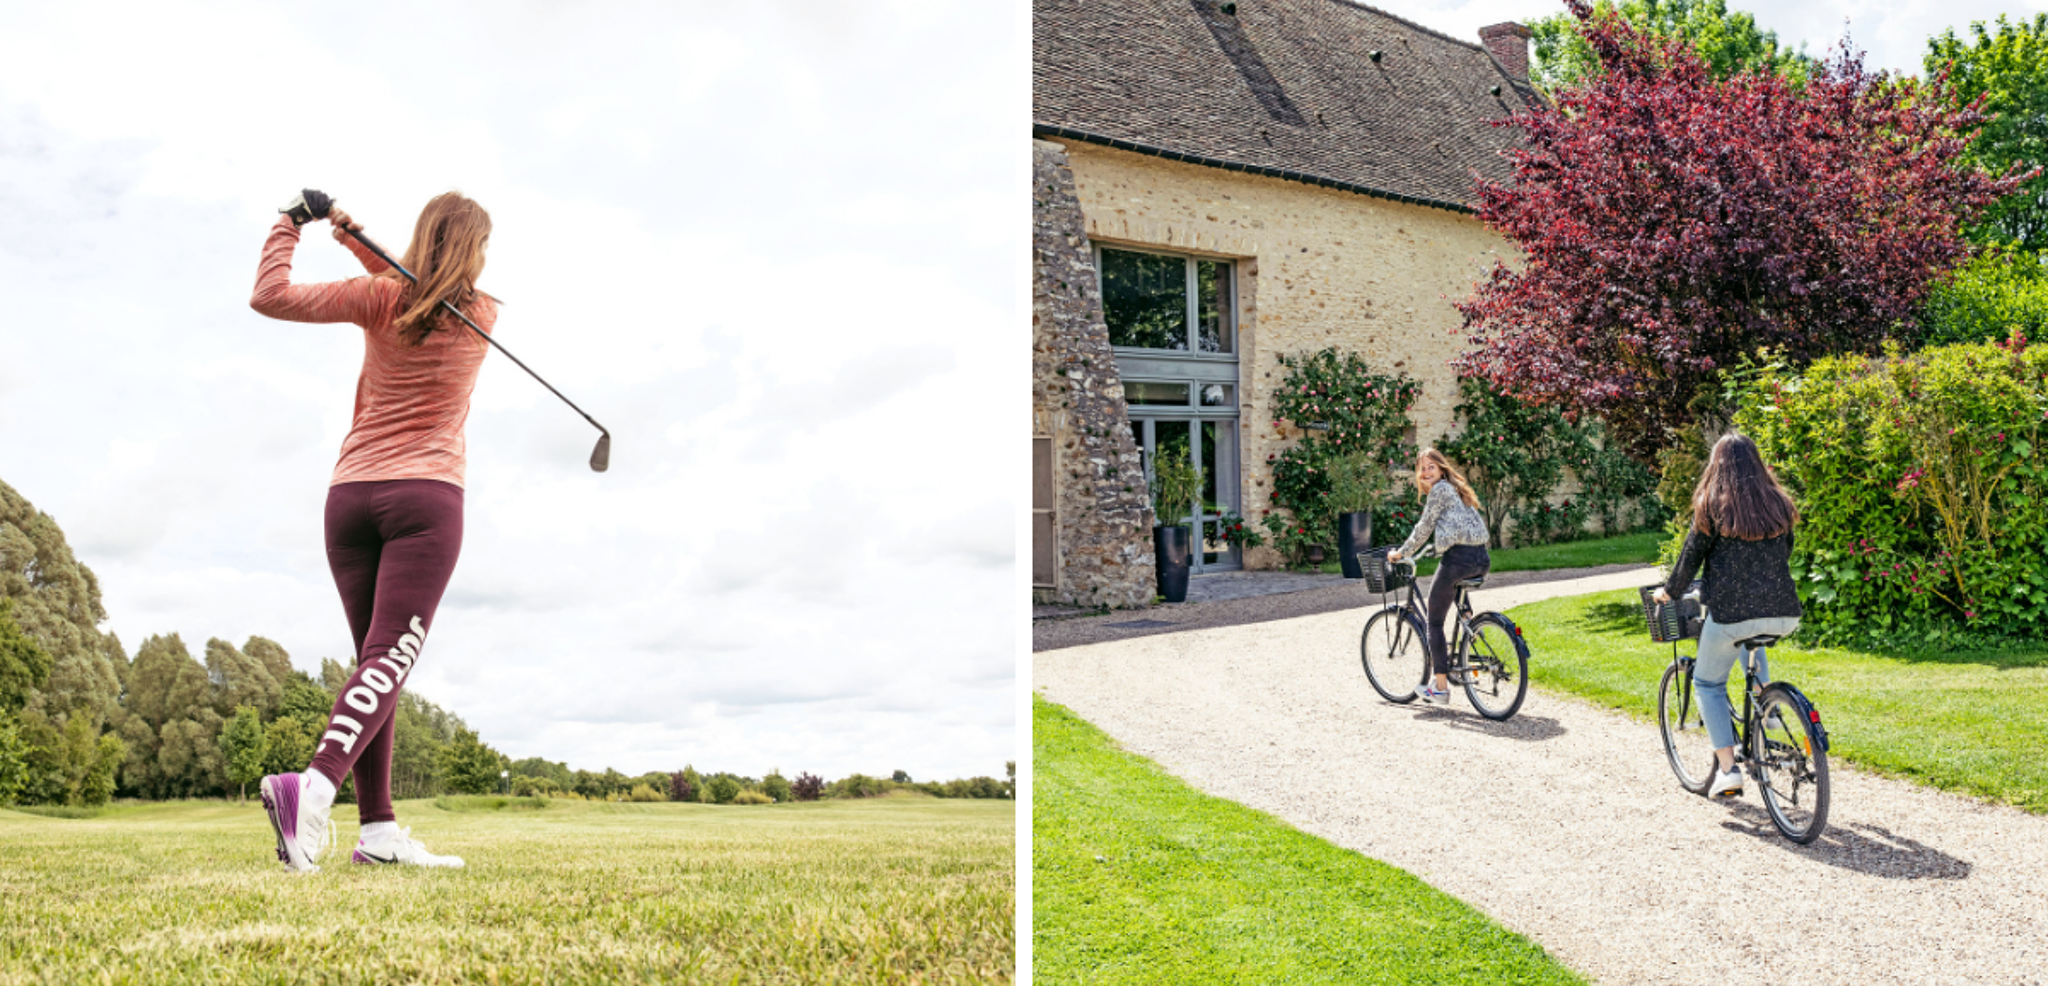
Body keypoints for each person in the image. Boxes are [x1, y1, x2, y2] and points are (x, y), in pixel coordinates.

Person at [249, 191, 498, 871]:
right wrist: (355, 238)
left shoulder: (377, 297)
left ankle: (379, 831)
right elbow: (418, 282)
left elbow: (269, 295)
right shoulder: (482, 315)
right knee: (388, 662)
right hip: (427, 499)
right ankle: (315, 787)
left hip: (349, 499)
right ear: (476, 251)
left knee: (374, 667)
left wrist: (292, 223)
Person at [1653, 433, 1802, 798]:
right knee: (1751, 633)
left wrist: (1668, 593)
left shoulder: (1712, 506)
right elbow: (1785, 551)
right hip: (1785, 612)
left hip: (1732, 614)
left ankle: (1728, 770)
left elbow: (1689, 561)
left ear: (1717, 466)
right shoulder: (1779, 504)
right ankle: (1765, 700)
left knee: (1707, 683)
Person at [1387, 449, 1491, 706]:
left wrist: (1401, 553)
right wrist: (1438, 546)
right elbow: (1456, 525)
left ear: (1442, 469)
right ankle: (1470, 626)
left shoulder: (1440, 490)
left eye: (1431, 467)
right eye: (1422, 468)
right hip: (1480, 558)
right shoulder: (1456, 489)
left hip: (1458, 560)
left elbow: (1424, 527)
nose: (1426, 472)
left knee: (1434, 623)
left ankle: (1441, 689)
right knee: (1454, 589)